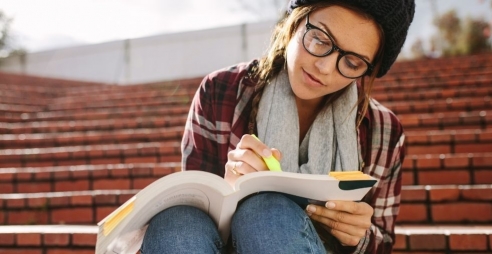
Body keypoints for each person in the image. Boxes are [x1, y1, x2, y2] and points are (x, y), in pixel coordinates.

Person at [141, 0, 415, 253]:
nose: (325, 67)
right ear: (295, 21)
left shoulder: (384, 131)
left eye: (352, 63)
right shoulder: (220, 91)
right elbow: (195, 208)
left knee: (265, 213)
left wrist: (360, 235)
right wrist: (227, 192)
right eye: (319, 39)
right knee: (175, 222)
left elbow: (383, 241)